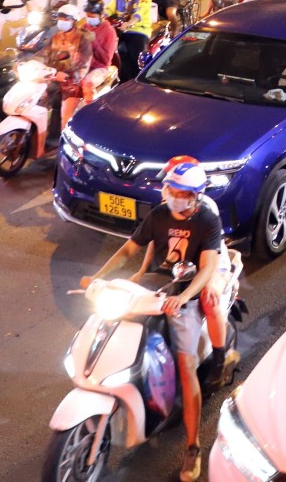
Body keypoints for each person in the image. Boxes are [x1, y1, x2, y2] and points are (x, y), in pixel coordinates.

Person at [82, 160, 230, 482]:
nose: (173, 196)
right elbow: (129, 249)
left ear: (195, 195)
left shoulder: (207, 220)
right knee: (116, 324)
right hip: (155, 286)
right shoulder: (159, 214)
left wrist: (184, 296)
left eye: (181, 192)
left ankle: (192, 446)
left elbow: (207, 267)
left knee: (186, 366)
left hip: (185, 293)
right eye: (170, 189)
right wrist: (97, 277)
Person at [39, 4, 93, 152]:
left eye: (66, 19)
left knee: (65, 117)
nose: (62, 21)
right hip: (53, 79)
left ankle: (67, 147)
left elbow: (83, 65)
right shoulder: (56, 37)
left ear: (74, 20)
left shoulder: (82, 39)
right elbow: (44, 55)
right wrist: (32, 63)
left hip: (71, 83)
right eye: (60, 18)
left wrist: (69, 74)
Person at [106, 0, 153, 82]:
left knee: (135, 57)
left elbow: (140, 12)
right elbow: (109, 9)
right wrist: (102, 16)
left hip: (138, 31)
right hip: (121, 30)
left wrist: (129, 23)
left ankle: (138, 80)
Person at [81, 0, 119, 102]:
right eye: (87, 16)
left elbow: (106, 60)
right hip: (83, 65)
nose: (89, 19)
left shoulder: (109, 31)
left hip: (99, 68)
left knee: (87, 84)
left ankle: (90, 108)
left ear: (101, 15)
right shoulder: (84, 27)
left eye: (92, 16)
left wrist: (94, 41)